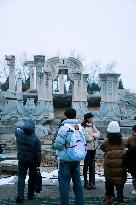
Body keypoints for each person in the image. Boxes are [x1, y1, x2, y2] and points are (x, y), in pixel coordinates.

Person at [53, 108, 85, 205]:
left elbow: (57, 145)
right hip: (76, 158)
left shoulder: (64, 128)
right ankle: (80, 203)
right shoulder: (80, 127)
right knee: (77, 182)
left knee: (64, 184)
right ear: (75, 116)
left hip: (65, 160)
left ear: (65, 116)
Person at [15, 118, 41, 203]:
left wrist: (22, 126)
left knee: (21, 177)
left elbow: (16, 126)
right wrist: (38, 162)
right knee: (32, 178)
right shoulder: (36, 138)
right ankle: (30, 195)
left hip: (22, 159)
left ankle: (20, 195)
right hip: (32, 161)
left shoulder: (19, 134)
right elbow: (38, 153)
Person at [100, 121, 127, 205]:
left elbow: (102, 148)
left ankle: (109, 198)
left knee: (109, 181)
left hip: (109, 166)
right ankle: (120, 201)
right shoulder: (122, 141)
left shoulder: (106, 141)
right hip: (120, 165)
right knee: (120, 184)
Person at [81, 112, 100, 190]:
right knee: (86, 165)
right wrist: (93, 136)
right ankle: (86, 182)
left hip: (93, 148)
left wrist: (93, 135)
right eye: (91, 118)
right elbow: (88, 138)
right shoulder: (83, 127)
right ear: (88, 119)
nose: (92, 119)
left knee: (92, 165)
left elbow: (98, 134)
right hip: (87, 149)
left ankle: (91, 182)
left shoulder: (93, 126)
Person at [125, 125, 136, 195]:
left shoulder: (130, 138)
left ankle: (135, 189)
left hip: (133, 160)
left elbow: (126, 145)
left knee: (134, 176)